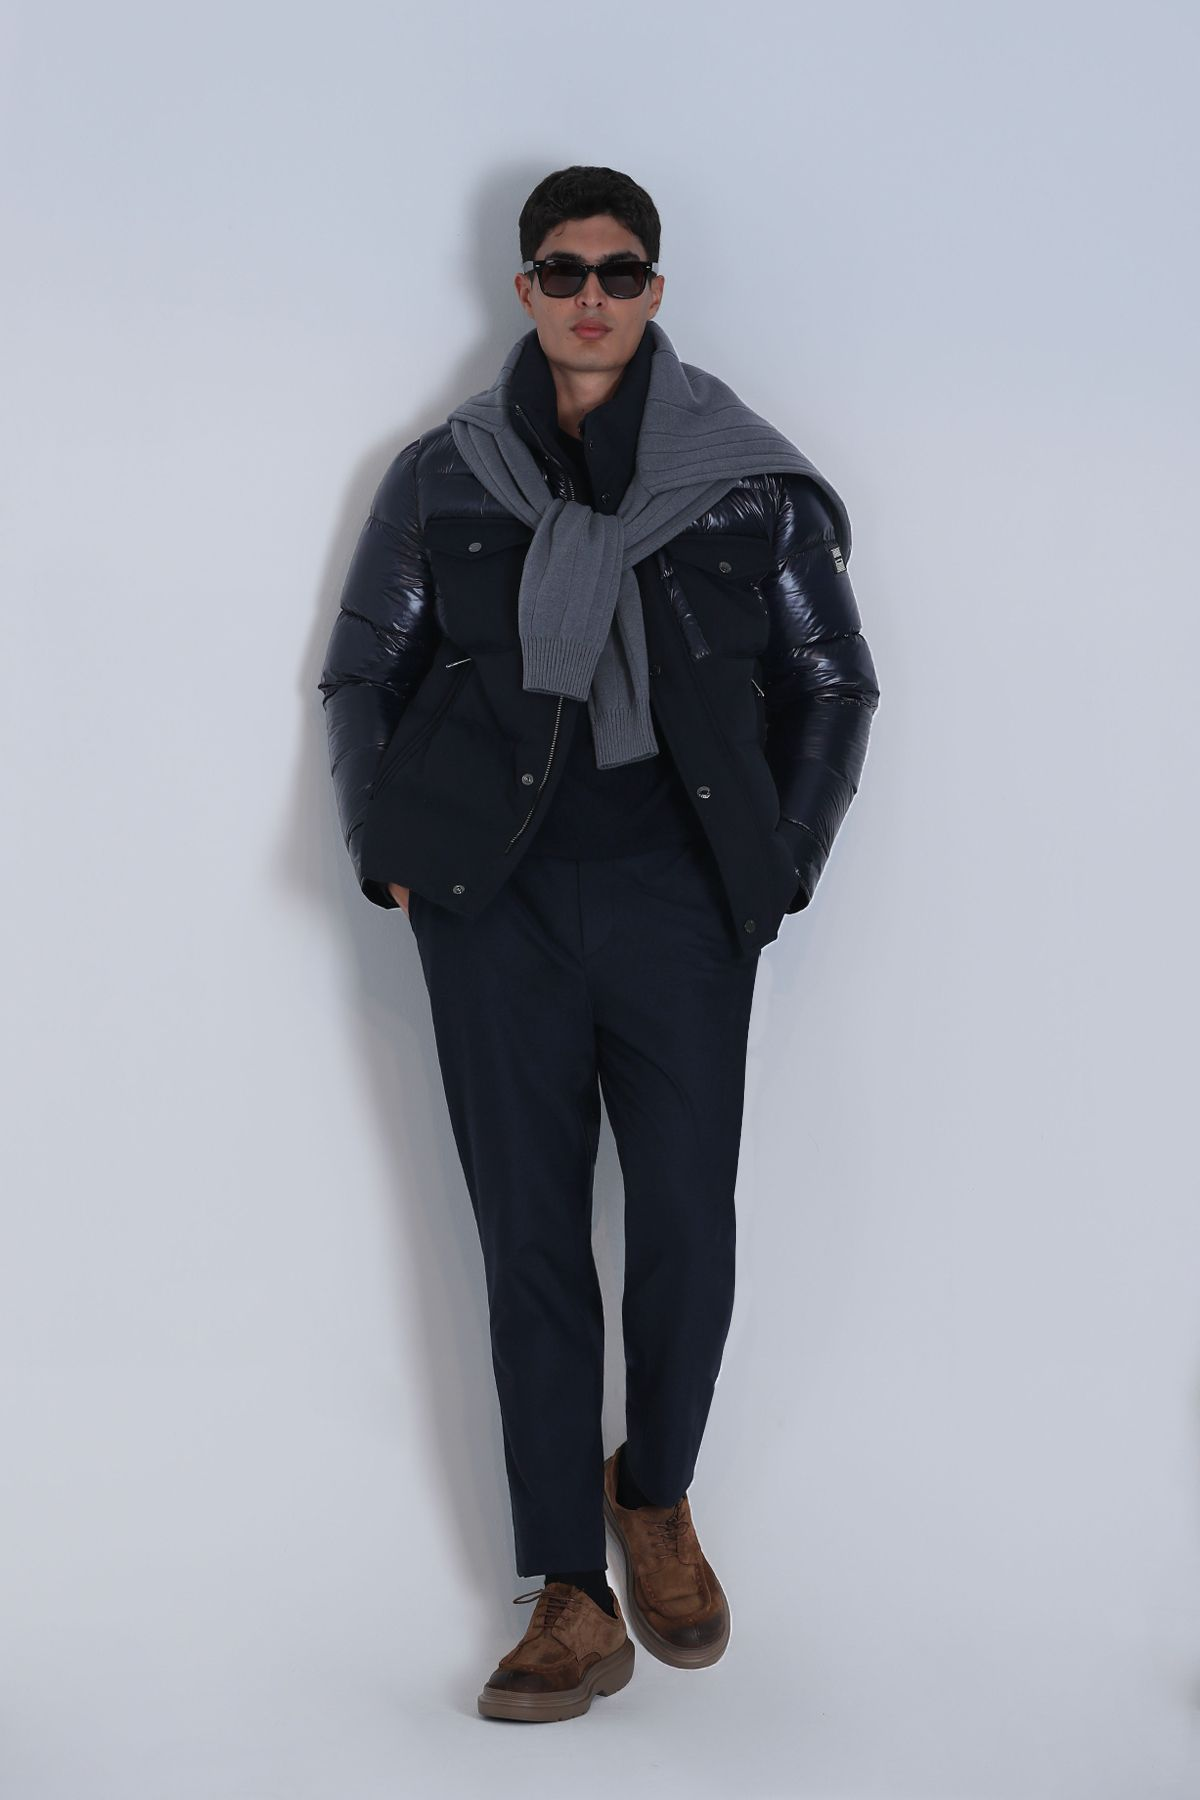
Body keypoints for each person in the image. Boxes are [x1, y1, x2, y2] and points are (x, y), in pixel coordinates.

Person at [317, 164, 880, 1722]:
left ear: (653, 292)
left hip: (676, 902)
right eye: (562, 271)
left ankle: (657, 1491)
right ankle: (568, 1591)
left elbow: (835, 683)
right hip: (492, 904)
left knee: (687, 1219)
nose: (590, 298)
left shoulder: (743, 481)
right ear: (524, 289)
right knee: (529, 1239)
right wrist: (387, 851)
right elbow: (364, 674)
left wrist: (780, 861)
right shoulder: (446, 476)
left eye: (619, 272)